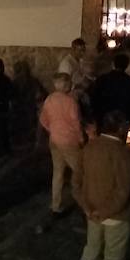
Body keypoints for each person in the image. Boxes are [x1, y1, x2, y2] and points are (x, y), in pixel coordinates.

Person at [74, 110, 130, 260]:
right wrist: (104, 211)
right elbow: (123, 190)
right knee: (111, 259)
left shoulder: (89, 147)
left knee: (91, 250)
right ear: (119, 128)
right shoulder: (123, 153)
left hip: (92, 212)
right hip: (115, 216)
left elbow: (77, 182)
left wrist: (87, 208)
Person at [37, 73, 84, 233]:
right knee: (79, 172)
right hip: (69, 141)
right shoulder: (71, 102)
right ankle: (83, 205)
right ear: (65, 84)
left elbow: (43, 119)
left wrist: (52, 129)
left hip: (54, 140)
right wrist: (80, 139)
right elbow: (76, 123)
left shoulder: (49, 99)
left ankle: (55, 205)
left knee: (58, 172)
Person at [90, 52, 130, 124]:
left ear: (113, 64)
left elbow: (94, 97)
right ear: (127, 65)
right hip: (122, 118)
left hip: (103, 116)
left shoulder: (103, 79)